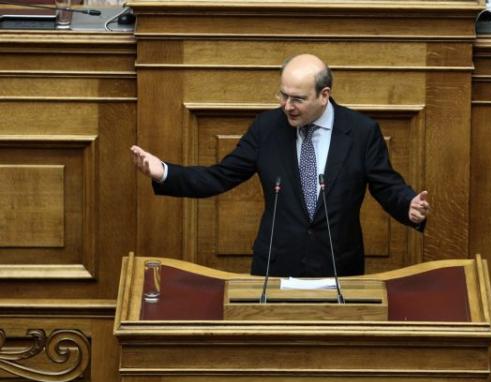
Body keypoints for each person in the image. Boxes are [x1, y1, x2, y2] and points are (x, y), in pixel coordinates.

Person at [131, 54, 429, 277]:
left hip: (339, 269)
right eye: (283, 95)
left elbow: (386, 185)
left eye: (297, 99)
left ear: (324, 95)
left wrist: (408, 205)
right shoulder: (267, 128)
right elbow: (220, 176)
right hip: (275, 269)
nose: (287, 106)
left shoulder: (361, 131)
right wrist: (164, 172)